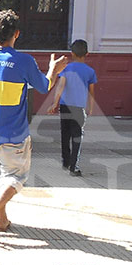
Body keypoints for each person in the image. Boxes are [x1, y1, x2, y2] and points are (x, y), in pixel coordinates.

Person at [0, 9, 66, 239]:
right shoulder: (24, 61)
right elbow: (44, 86)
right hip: (14, 133)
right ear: (16, 34)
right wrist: (53, 70)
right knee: (15, 177)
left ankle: (2, 221)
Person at [47, 39, 96, 177]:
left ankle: (65, 161)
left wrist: (55, 103)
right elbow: (91, 92)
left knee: (65, 134)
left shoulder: (66, 69)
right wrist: (90, 107)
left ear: (72, 53)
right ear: (87, 53)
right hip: (79, 108)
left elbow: (61, 86)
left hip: (65, 106)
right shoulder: (90, 71)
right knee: (77, 137)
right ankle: (74, 167)